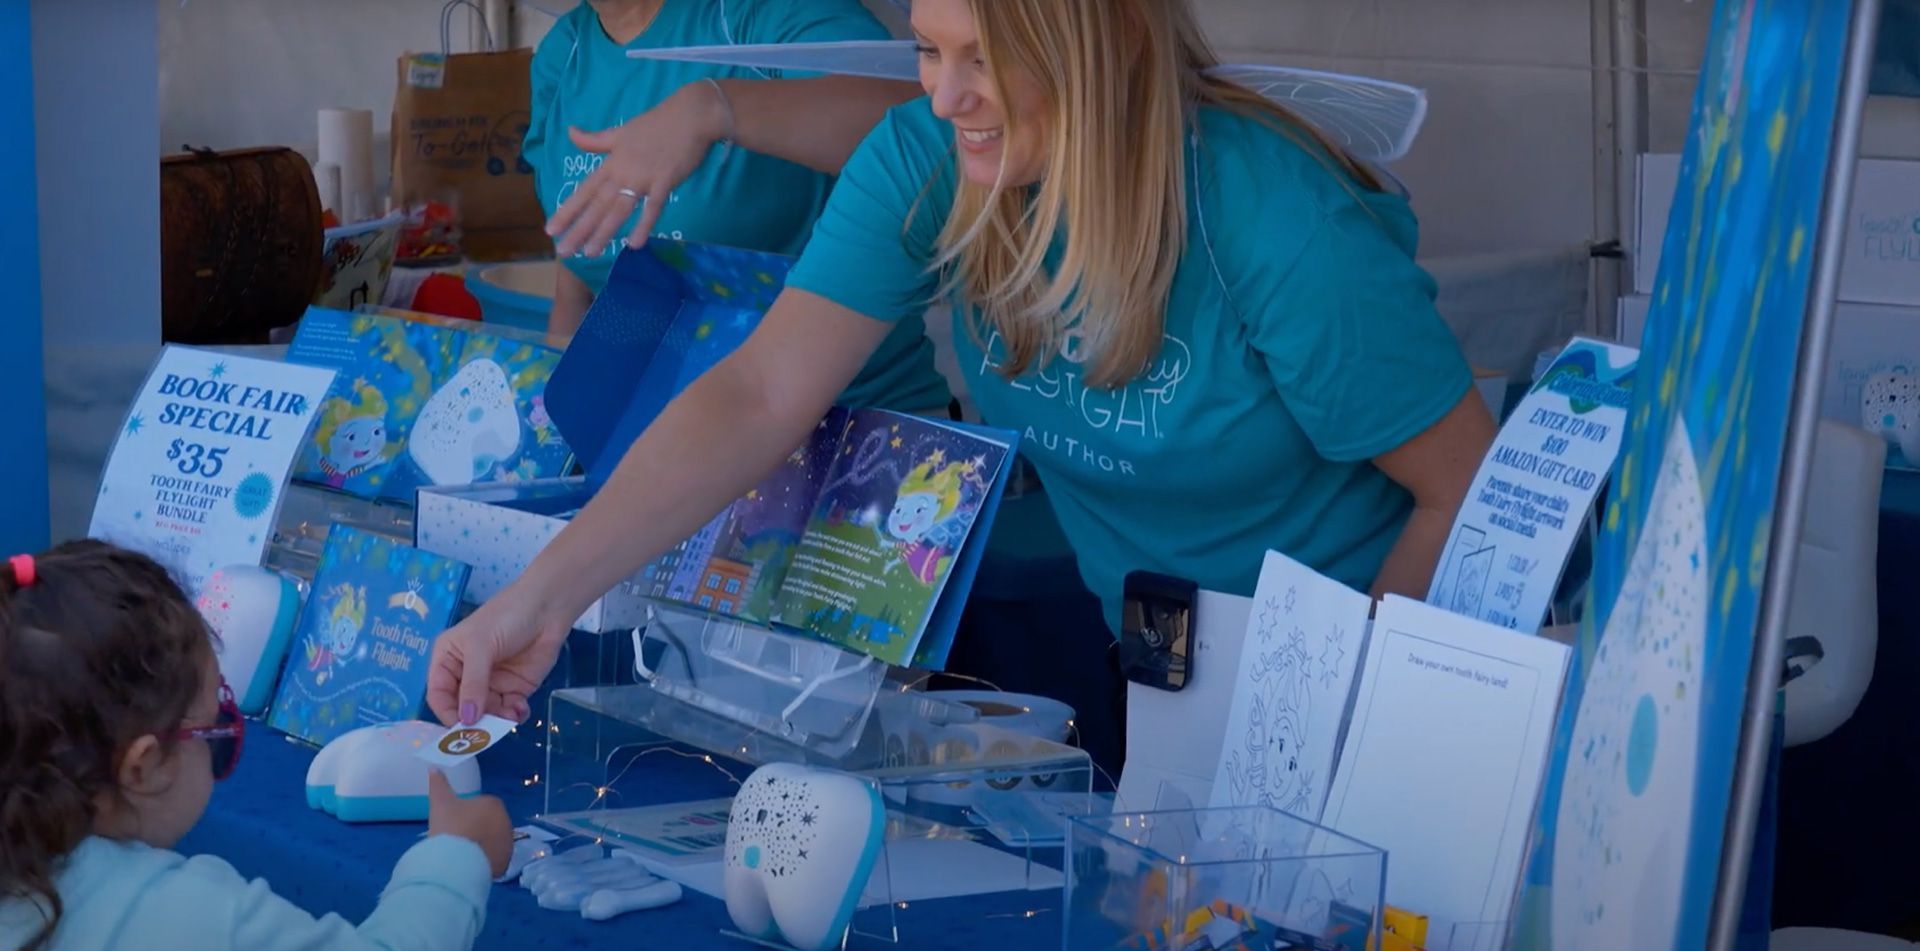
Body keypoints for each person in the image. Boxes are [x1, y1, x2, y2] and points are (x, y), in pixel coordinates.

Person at [429, 0, 1495, 755]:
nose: (943, 97)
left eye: (981, 58)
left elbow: (1463, 491)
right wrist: (542, 598)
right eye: (929, 51)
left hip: (1372, 668)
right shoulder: (932, 162)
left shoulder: (1270, 218)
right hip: (1166, 662)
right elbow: (759, 395)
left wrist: (1321, 720)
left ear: (1110, 37)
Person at [0, 542, 514, 951]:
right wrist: (456, 857)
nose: (224, 736)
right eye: (216, 730)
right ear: (144, 767)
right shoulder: (201, 924)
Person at [530, 0, 953, 417]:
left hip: (851, 427)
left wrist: (715, 109)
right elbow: (582, 249)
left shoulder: (755, 13)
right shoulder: (564, 48)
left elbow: (923, 127)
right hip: (654, 428)